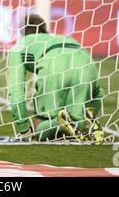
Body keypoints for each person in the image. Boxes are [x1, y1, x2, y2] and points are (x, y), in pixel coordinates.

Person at [8, 14, 105, 144]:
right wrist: (92, 108)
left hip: (53, 64)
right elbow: (99, 93)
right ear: (44, 28)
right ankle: (84, 121)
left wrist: (24, 129)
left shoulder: (20, 46)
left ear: (22, 33)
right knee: (74, 125)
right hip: (86, 63)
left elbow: (16, 90)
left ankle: (60, 122)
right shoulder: (63, 37)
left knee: (40, 130)